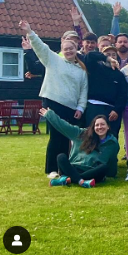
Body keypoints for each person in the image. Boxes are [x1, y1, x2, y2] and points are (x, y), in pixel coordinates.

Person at [19, 21, 88, 179]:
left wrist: (80, 108)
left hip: (71, 108)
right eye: (66, 49)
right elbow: (41, 47)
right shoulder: (53, 60)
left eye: (71, 48)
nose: (69, 51)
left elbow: (84, 90)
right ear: (62, 50)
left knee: (66, 137)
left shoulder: (81, 69)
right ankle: (52, 169)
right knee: (56, 137)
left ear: (76, 49)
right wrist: (30, 31)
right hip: (53, 103)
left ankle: (63, 168)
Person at [42, 109, 118, 188]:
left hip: (91, 171)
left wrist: (112, 174)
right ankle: (81, 181)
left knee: (104, 167)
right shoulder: (81, 134)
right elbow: (64, 126)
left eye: (102, 124)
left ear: (108, 126)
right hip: (74, 167)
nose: (99, 127)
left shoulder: (112, 143)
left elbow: (112, 159)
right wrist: (50, 115)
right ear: (93, 127)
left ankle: (69, 179)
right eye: (97, 125)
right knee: (61, 157)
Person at [84, 52, 128, 144]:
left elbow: (122, 94)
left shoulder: (119, 75)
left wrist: (117, 110)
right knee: (92, 137)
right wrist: (107, 58)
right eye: (108, 54)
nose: (111, 57)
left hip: (111, 110)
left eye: (113, 55)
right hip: (94, 106)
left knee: (111, 138)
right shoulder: (95, 67)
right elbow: (90, 56)